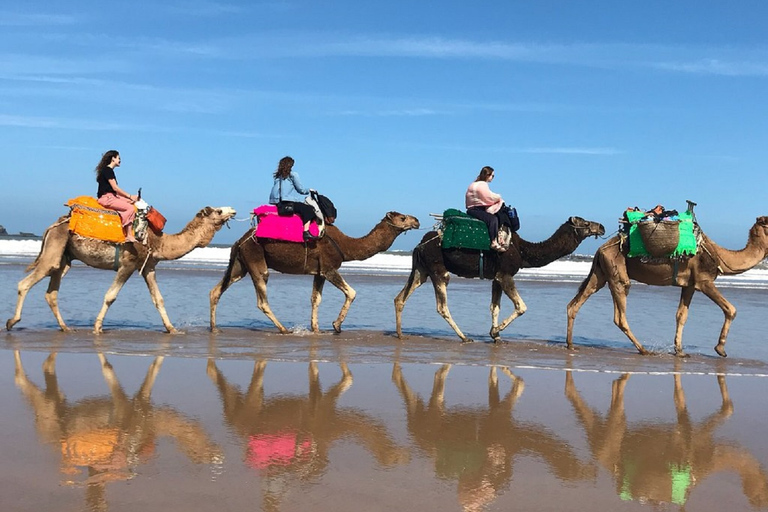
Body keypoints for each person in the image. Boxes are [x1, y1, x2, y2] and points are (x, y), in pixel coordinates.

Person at [269, 156, 320, 241]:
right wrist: (310, 190)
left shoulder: (278, 177)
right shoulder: (293, 175)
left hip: (279, 204)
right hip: (288, 203)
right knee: (309, 209)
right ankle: (306, 232)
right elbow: (301, 190)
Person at [95, 150, 139, 243]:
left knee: (131, 203)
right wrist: (130, 196)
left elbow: (114, 191)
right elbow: (115, 188)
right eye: (119, 158)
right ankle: (128, 235)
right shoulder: (108, 170)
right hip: (107, 198)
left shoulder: (107, 171)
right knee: (130, 208)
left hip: (111, 197)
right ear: (113, 158)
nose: (120, 160)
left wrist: (129, 199)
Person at [465, 165, 507, 252]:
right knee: (493, 219)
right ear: (487, 175)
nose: (492, 178)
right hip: (476, 210)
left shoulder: (473, 184)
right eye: (492, 175)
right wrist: (499, 198)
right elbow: (489, 197)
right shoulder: (482, 185)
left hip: (472, 210)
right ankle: (494, 241)